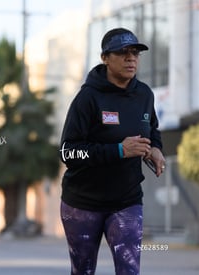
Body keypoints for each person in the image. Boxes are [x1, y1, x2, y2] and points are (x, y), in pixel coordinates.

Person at [59, 28, 166, 275]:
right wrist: (118, 150)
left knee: (129, 270)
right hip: (83, 203)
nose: (131, 59)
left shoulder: (144, 94)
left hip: (126, 201)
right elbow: (68, 153)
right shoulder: (87, 98)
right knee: (83, 271)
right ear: (105, 58)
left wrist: (156, 149)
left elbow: (152, 128)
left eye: (135, 53)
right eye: (122, 53)